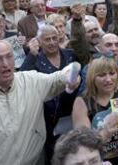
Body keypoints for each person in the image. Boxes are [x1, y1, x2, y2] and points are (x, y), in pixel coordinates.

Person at [0, 40, 81, 164]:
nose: (5, 64)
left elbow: (58, 78)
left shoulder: (32, 81)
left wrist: (71, 75)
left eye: (9, 56)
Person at [72, 56, 118, 165]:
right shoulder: (82, 102)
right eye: (102, 75)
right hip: (101, 160)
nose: (108, 79)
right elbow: (85, 147)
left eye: (112, 73)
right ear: (92, 78)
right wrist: (105, 133)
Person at [20, 25, 78, 161]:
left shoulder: (70, 54)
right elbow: (23, 79)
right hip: (48, 117)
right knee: (55, 154)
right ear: (39, 41)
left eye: (54, 38)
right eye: (47, 39)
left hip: (73, 111)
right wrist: (31, 56)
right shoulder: (35, 58)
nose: (52, 42)